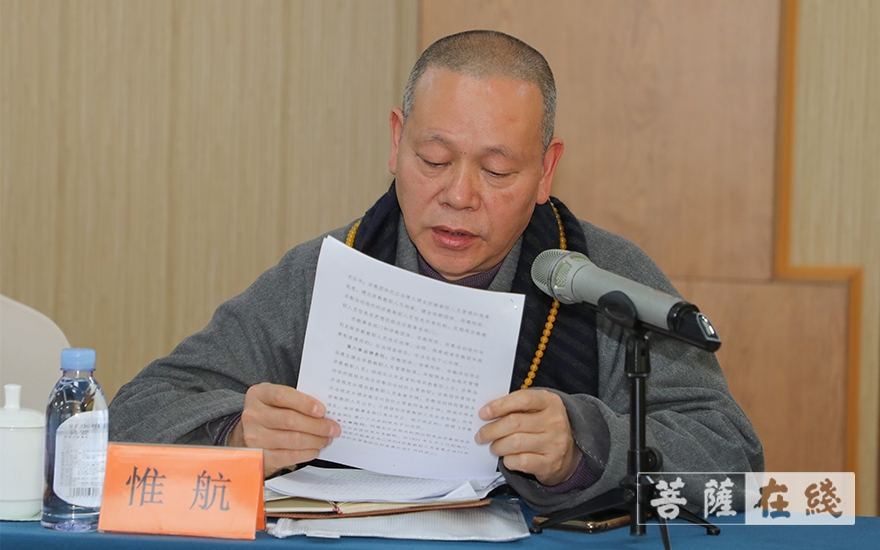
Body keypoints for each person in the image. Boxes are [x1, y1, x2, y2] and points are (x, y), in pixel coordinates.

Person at [109, 30, 763, 512]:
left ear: (546, 171)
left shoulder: (601, 279)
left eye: (498, 170)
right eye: (434, 160)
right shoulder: (330, 271)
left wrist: (586, 445)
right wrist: (235, 433)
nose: (459, 195)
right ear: (396, 143)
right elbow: (137, 412)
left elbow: (734, 461)